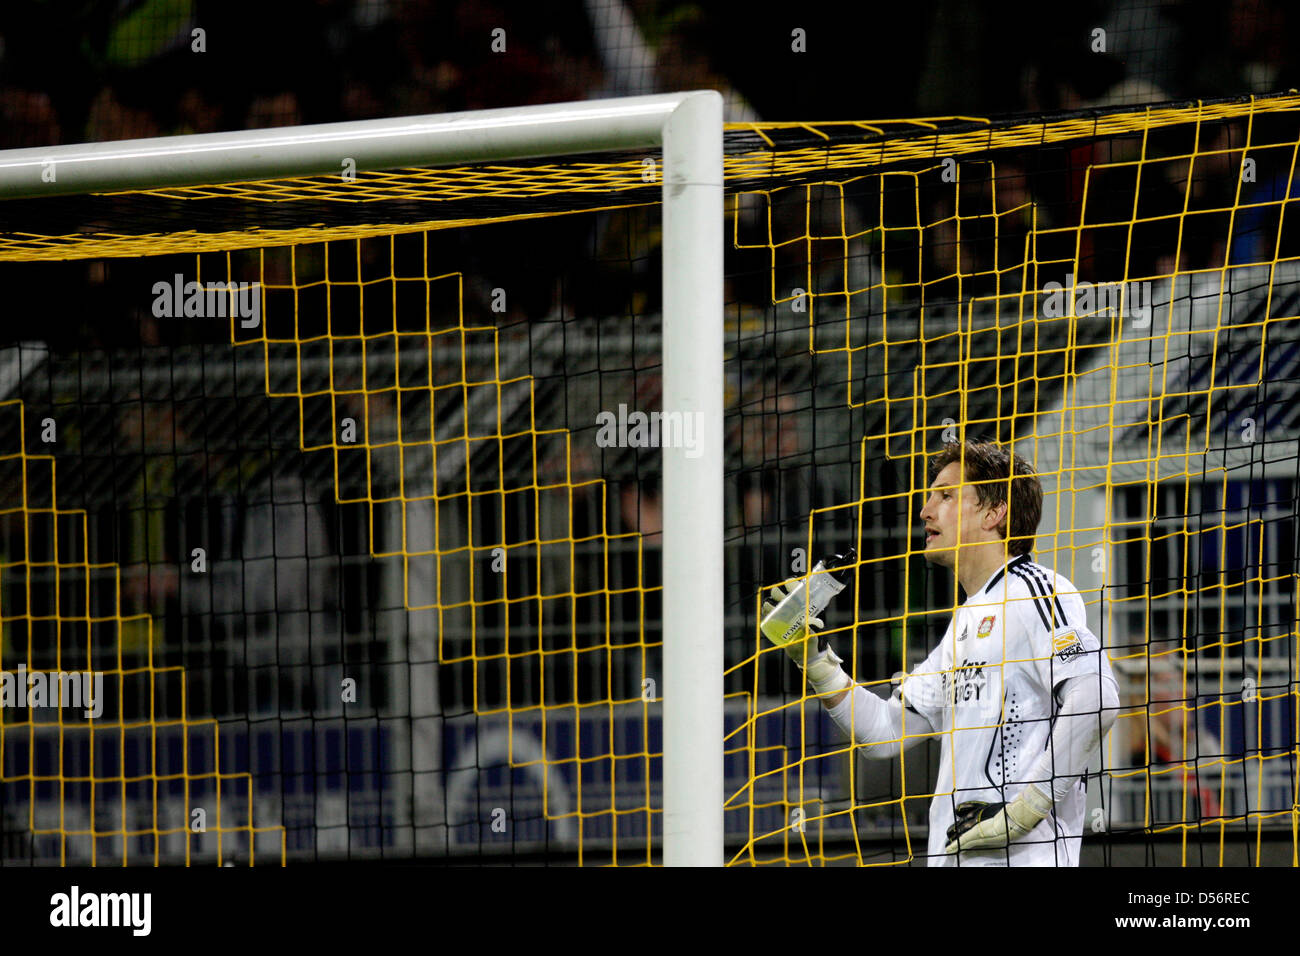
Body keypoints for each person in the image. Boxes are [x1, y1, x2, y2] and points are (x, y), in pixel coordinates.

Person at [764, 440, 1119, 866]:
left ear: (994, 513)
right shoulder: (962, 626)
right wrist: (816, 661)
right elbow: (884, 732)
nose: (925, 510)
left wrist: (1026, 810)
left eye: (946, 495)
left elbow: (1097, 698)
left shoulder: (1036, 590)